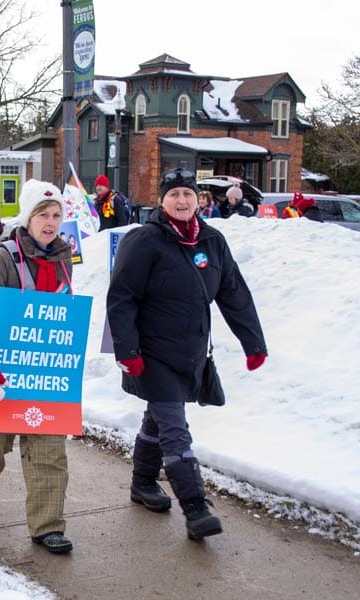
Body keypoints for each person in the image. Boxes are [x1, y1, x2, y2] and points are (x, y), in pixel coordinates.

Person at [106, 168, 267, 540]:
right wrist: (127, 351)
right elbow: (121, 298)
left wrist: (253, 343)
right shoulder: (144, 240)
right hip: (151, 353)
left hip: (191, 352)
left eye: (188, 194)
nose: (182, 201)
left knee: (158, 419)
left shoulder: (212, 240)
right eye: (174, 194)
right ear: (162, 200)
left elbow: (234, 292)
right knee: (175, 429)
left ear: (198, 199)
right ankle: (195, 508)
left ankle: (143, 483)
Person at [0, 179, 76, 554]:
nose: (51, 222)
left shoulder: (63, 259)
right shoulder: (2, 258)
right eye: (43, 215)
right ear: (27, 217)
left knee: (49, 453)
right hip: (1, 371)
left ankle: (47, 526)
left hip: (44, 373)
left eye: (56, 215)